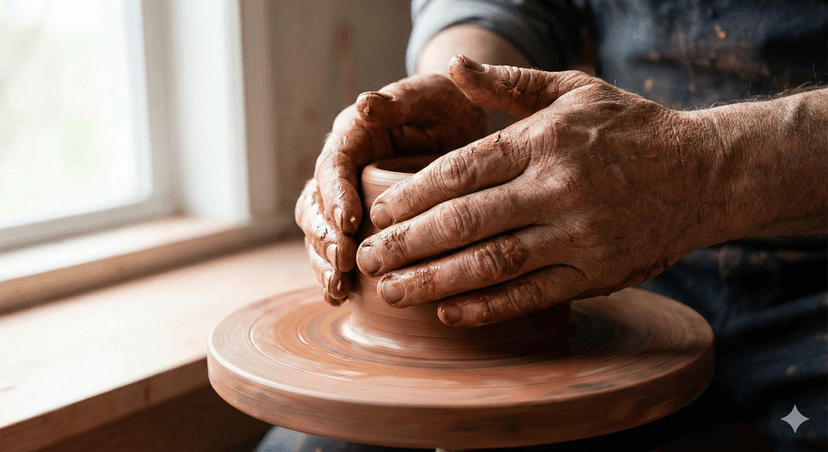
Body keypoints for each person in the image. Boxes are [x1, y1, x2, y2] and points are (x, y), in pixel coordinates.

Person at [275, 1, 828, 451]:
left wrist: (695, 167)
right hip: (608, 259)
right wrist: (466, 99)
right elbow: (505, 9)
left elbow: (680, 173)